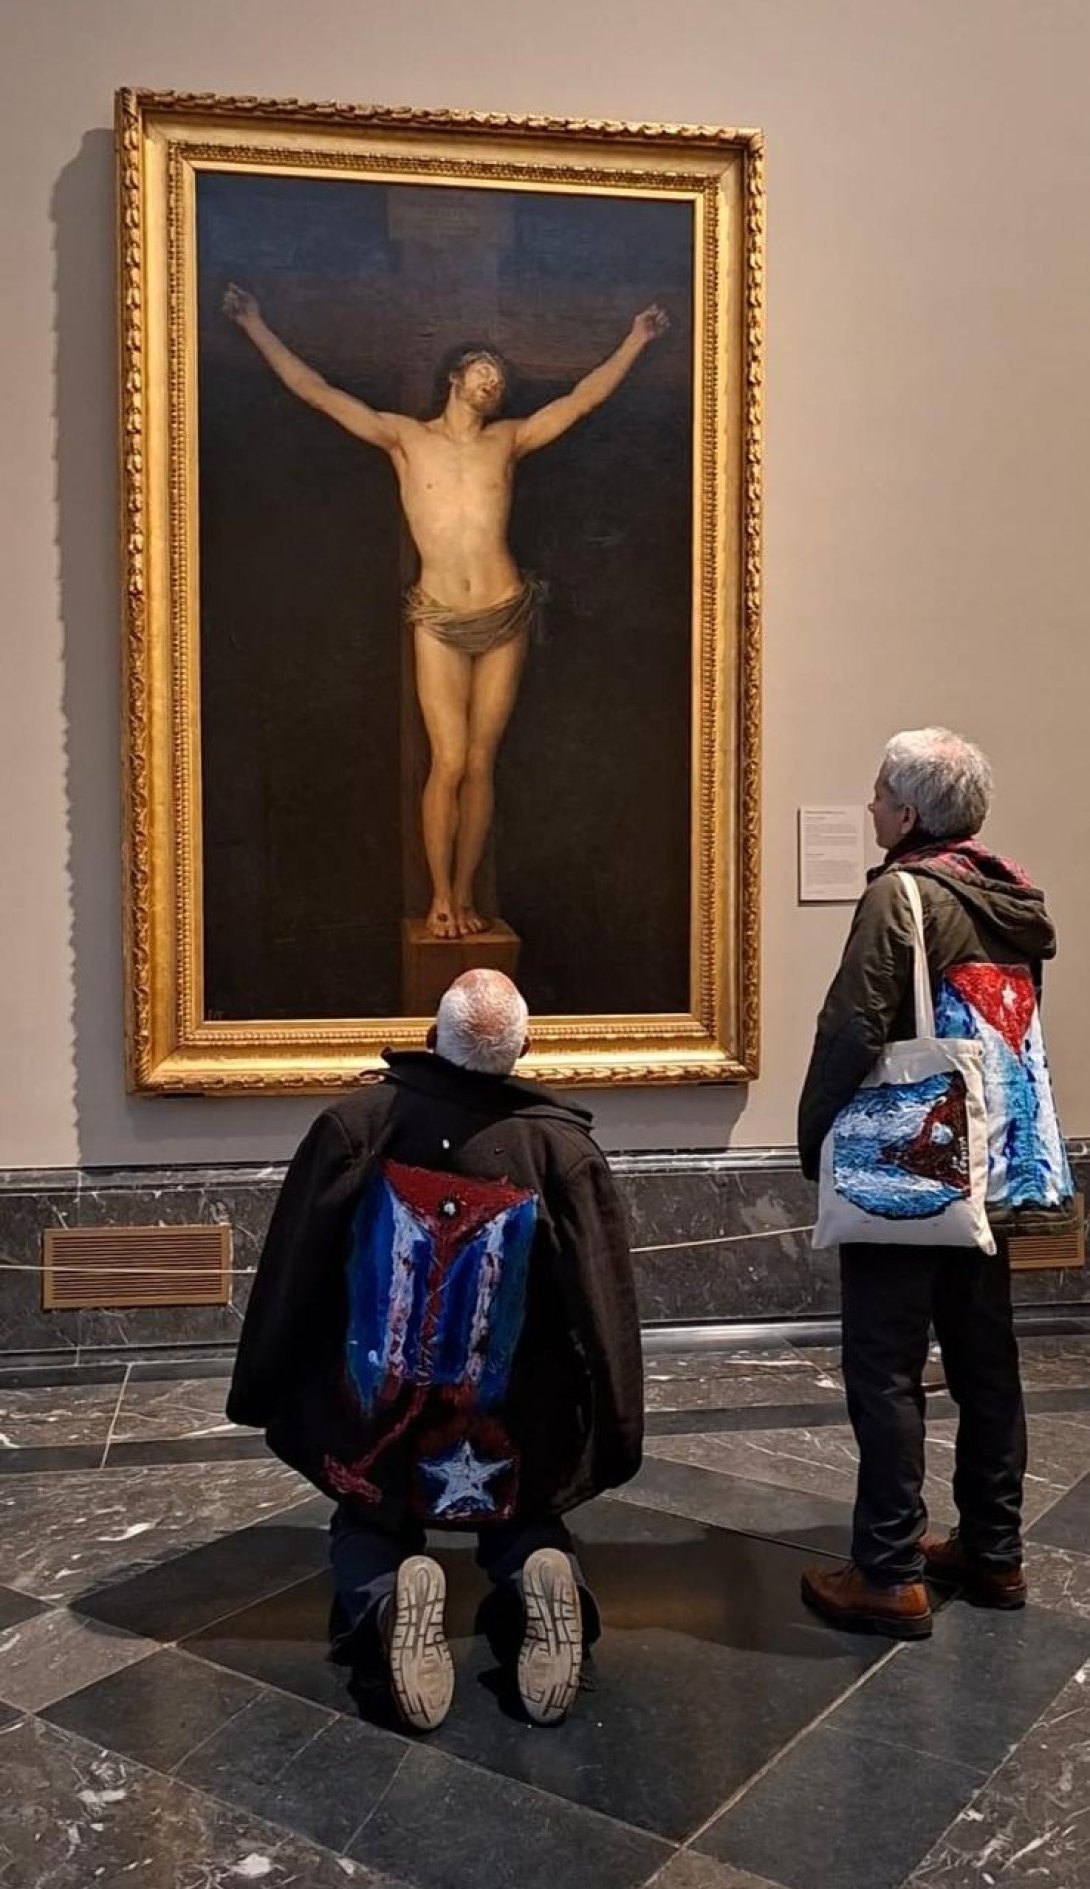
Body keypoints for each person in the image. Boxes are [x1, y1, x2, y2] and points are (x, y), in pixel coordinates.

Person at [227, 968, 643, 1731]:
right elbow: (606, 1307)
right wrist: (615, 1435)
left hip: (375, 1414)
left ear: (430, 1037)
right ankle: (537, 1571)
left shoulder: (355, 1125)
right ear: (526, 1048)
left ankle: (388, 1592)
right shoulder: (562, 1153)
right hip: (507, 1425)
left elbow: (293, 1265)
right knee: (529, 1512)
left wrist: (263, 1385)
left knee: (366, 1519)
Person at [223, 285, 670, 940]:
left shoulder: (509, 441)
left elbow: (582, 400)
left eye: (500, 375)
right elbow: (315, 390)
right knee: (450, 759)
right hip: (437, 617)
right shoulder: (405, 438)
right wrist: (255, 322)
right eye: (483, 368)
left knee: (483, 760)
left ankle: (464, 896)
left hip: (503, 609)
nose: (493, 380)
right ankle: (437, 897)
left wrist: (636, 339)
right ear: (456, 377)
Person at [796, 728, 1075, 1639]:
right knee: (985, 1357)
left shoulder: (902, 896)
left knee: (884, 1366)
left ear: (907, 813)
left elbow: (854, 1028)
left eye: (879, 793)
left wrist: (815, 1136)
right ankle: (995, 1553)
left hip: (912, 1168)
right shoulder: (1010, 897)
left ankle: (888, 1569)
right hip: (991, 1163)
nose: (871, 804)